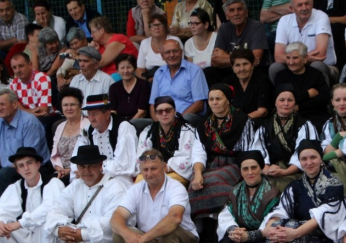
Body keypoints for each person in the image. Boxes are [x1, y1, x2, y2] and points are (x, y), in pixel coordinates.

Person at [253, 139, 345, 243]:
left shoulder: (333, 185)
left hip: (322, 241)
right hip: (294, 236)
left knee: (290, 232)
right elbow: (281, 210)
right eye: (304, 159)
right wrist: (270, 228)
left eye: (313, 158)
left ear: (320, 158)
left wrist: (294, 233)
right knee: (280, 228)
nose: (309, 163)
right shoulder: (295, 186)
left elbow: (324, 215)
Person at [187, 150, 280, 243]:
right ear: (241, 171)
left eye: (254, 167)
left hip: (260, 241)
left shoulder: (272, 193)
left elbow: (271, 223)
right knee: (229, 242)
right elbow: (226, 216)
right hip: (239, 237)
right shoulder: (236, 192)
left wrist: (248, 236)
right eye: (245, 169)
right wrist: (234, 231)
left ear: (261, 168)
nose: (250, 172)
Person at [111, 149, 198, 243]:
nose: (149, 174)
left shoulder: (176, 187)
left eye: (154, 168)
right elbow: (116, 217)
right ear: (140, 171)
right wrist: (128, 235)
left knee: (169, 229)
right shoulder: (136, 189)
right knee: (118, 233)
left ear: (164, 167)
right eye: (145, 170)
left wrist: (142, 239)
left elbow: (175, 218)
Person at [44, 145, 126, 243]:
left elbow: (112, 220)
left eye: (92, 166)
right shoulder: (75, 186)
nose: (86, 171)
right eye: (82, 167)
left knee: (91, 236)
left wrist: (83, 234)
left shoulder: (114, 187)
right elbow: (57, 208)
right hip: (81, 233)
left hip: (107, 240)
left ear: (101, 166)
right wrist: (60, 229)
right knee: (59, 236)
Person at [0, 89, 50, 234]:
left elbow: (28, 158)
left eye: (2, 104)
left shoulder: (29, 122)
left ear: (14, 104)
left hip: (32, 168)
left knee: (4, 174)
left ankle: (8, 220)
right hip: (4, 168)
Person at [189, 83, 254, 218]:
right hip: (210, 164)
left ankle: (223, 216)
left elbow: (248, 150)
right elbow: (198, 152)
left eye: (218, 99)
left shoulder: (242, 121)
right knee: (194, 183)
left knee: (213, 180)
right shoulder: (204, 124)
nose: (214, 103)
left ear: (228, 100)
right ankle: (202, 223)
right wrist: (198, 173)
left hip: (234, 164)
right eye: (211, 99)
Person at [252, 84, 319, 192]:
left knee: (281, 188)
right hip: (269, 170)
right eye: (282, 100)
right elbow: (257, 151)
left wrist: (285, 172)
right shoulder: (265, 126)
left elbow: (306, 153)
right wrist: (266, 170)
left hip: (295, 172)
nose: (286, 104)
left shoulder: (304, 125)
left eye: (290, 100)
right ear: (275, 102)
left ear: (295, 102)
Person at [71, 94, 138, 188]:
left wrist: (97, 170)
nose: (91, 118)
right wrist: (81, 171)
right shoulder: (88, 130)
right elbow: (76, 157)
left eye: (94, 114)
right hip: (93, 174)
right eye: (89, 114)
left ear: (107, 114)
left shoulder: (124, 127)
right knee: (75, 187)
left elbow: (124, 164)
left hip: (120, 178)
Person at [270, 0, 337, 86]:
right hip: (294, 66)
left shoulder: (321, 16)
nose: (304, 8)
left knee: (317, 65)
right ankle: (282, 97)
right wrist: (304, 58)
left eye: (307, 3)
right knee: (275, 67)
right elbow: (278, 56)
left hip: (326, 66)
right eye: (300, 5)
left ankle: (322, 98)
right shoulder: (284, 21)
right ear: (292, 8)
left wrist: (294, 59)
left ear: (312, 4)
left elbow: (320, 55)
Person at [136, 96, 197, 186]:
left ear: (174, 111)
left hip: (176, 172)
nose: (164, 114)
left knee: (161, 183)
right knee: (139, 181)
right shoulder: (148, 131)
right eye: (160, 112)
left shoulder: (186, 130)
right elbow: (141, 156)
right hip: (153, 171)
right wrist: (156, 167)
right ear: (155, 114)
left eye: (168, 110)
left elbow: (187, 158)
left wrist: (168, 167)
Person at [207, 0, 271, 85]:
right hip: (231, 71)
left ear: (246, 12)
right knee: (209, 72)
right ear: (227, 16)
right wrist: (243, 60)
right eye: (232, 10)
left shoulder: (256, 27)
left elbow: (255, 59)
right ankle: (216, 97)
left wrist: (226, 56)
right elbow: (215, 60)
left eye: (239, 9)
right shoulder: (223, 29)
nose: (236, 13)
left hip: (253, 71)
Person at [148, 40, 209, 127]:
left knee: (188, 117)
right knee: (133, 124)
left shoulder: (195, 71)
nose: (172, 55)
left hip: (186, 120)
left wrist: (177, 121)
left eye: (175, 51)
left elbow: (199, 104)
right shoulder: (159, 73)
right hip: (162, 122)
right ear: (162, 56)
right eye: (168, 52)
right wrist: (158, 123)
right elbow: (153, 104)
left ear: (181, 53)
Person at [273, 42, 330, 129]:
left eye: (295, 58)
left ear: (305, 58)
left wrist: (299, 106)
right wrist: (308, 94)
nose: (291, 62)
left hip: (317, 116)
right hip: (291, 117)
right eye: (288, 58)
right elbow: (286, 99)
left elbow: (324, 98)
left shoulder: (316, 74)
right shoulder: (281, 76)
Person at [9, 52, 59, 146]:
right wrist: (30, 111)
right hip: (27, 117)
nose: (18, 70)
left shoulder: (42, 78)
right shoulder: (14, 84)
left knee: (38, 123)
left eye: (21, 66)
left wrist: (22, 110)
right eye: (14, 68)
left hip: (50, 116)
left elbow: (43, 111)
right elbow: (14, 107)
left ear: (30, 65)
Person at [222, 48, 273, 124]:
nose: (242, 69)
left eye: (245, 64)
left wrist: (239, 121)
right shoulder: (228, 82)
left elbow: (262, 112)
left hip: (257, 123)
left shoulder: (262, 80)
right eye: (237, 65)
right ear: (232, 68)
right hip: (233, 124)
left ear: (252, 65)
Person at [51, 87, 89, 183]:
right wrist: (59, 167)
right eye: (65, 105)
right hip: (60, 172)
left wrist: (71, 170)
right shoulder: (59, 126)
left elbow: (90, 154)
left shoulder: (88, 125)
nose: (69, 108)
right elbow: (55, 154)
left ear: (80, 106)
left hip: (80, 173)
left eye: (72, 105)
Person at [135, 14, 183, 82]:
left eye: (160, 25)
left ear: (165, 27)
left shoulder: (174, 40)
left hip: (172, 77)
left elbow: (181, 65)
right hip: (150, 79)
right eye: (153, 25)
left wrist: (159, 79)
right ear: (149, 29)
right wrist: (147, 79)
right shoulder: (144, 43)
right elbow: (139, 69)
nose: (156, 28)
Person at [69, 46, 114, 113]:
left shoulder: (107, 81)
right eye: (80, 61)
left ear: (96, 64)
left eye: (85, 61)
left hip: (98, 121)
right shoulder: (75, 80)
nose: (81, 64)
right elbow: (70, 102)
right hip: (78, 119)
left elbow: (108, 106)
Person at [109, 54, 150, 123]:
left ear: (134, 69)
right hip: (120, 124)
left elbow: (142, 112)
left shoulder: (143, 85)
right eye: (122, 68)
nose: (125, 71)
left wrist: (129, 125)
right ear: (117, 70)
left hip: (139, 123)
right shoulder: (114, 88)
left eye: (129, 67)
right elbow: (113, 111)